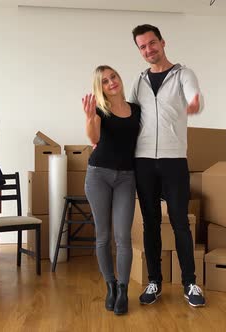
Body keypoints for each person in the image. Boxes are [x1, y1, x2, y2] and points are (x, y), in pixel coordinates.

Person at [128, 24, 205, 307]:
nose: (149, 50)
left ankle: (190, 283)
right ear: (140, 50)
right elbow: (129, 116)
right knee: (150, 223)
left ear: (162, 42)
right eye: (143, 47)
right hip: (144, 160)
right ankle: (154, 282)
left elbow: (194, 94)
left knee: (180, 222)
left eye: (152, 43)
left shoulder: (184, 74)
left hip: (174, 160)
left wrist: (195, 102)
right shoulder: (139, 81)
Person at [82, 65, 141, 315]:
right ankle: (111, 286)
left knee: (123, 237)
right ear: (101, 87)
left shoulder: (136, 110)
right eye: (105, 81)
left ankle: (124, 290)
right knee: (103, 236)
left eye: (113, 77)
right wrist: (89, 117)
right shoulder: (99, 109)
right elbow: (93, 138)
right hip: (98, 176)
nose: (111, 83)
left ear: (119, 78)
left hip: (126, 178)